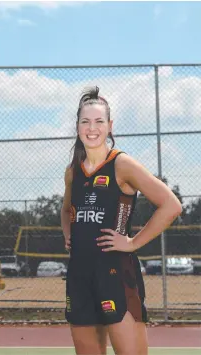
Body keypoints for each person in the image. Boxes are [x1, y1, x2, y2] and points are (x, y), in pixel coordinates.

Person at [61, 87, 182, 355]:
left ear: (110, 126)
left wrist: (132, 242)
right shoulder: (72, 172)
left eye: (99, 121)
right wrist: (69, 233)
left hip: (115, 273)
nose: (92, 128)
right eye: (85, 121)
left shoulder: (121, 164)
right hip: (80, 274)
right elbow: (66, 209)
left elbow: (171, 205)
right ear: (78, 126)